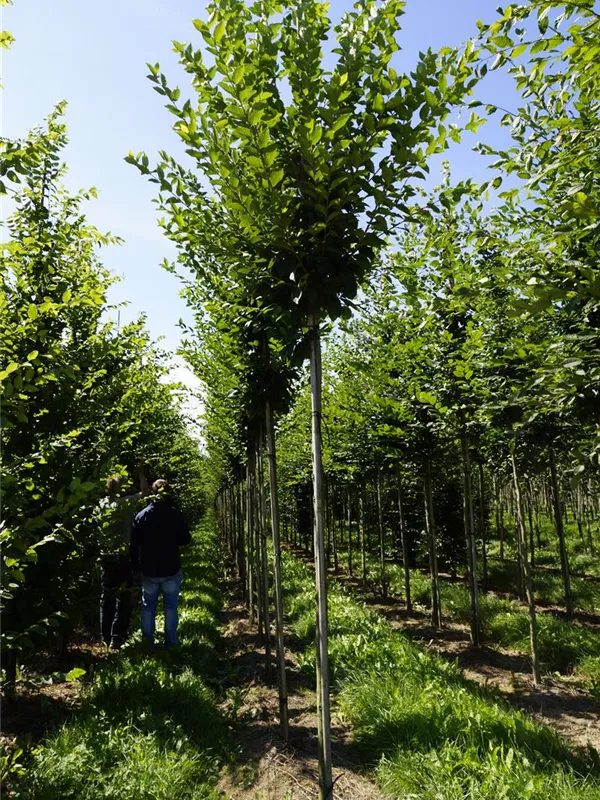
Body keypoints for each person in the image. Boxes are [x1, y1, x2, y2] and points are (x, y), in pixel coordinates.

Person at [129, 479, 191, 650]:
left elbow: (133, 546)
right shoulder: (174, 514)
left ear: (152, 494)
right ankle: (171, 643)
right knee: (170, 606)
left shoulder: (141, 516)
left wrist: (136, 569)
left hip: (149, 571)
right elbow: (186, 539)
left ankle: (147, 643)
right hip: (170, 568)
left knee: (148, 607)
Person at [97, 463, 149, 649]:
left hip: (105, 556)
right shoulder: (124, 504)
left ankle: (104, 637)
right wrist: (141, 473)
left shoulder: (100, 505)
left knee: (106, 597)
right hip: (122, 556)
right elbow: (145, 493)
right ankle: (116, 637)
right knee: (123, 597)